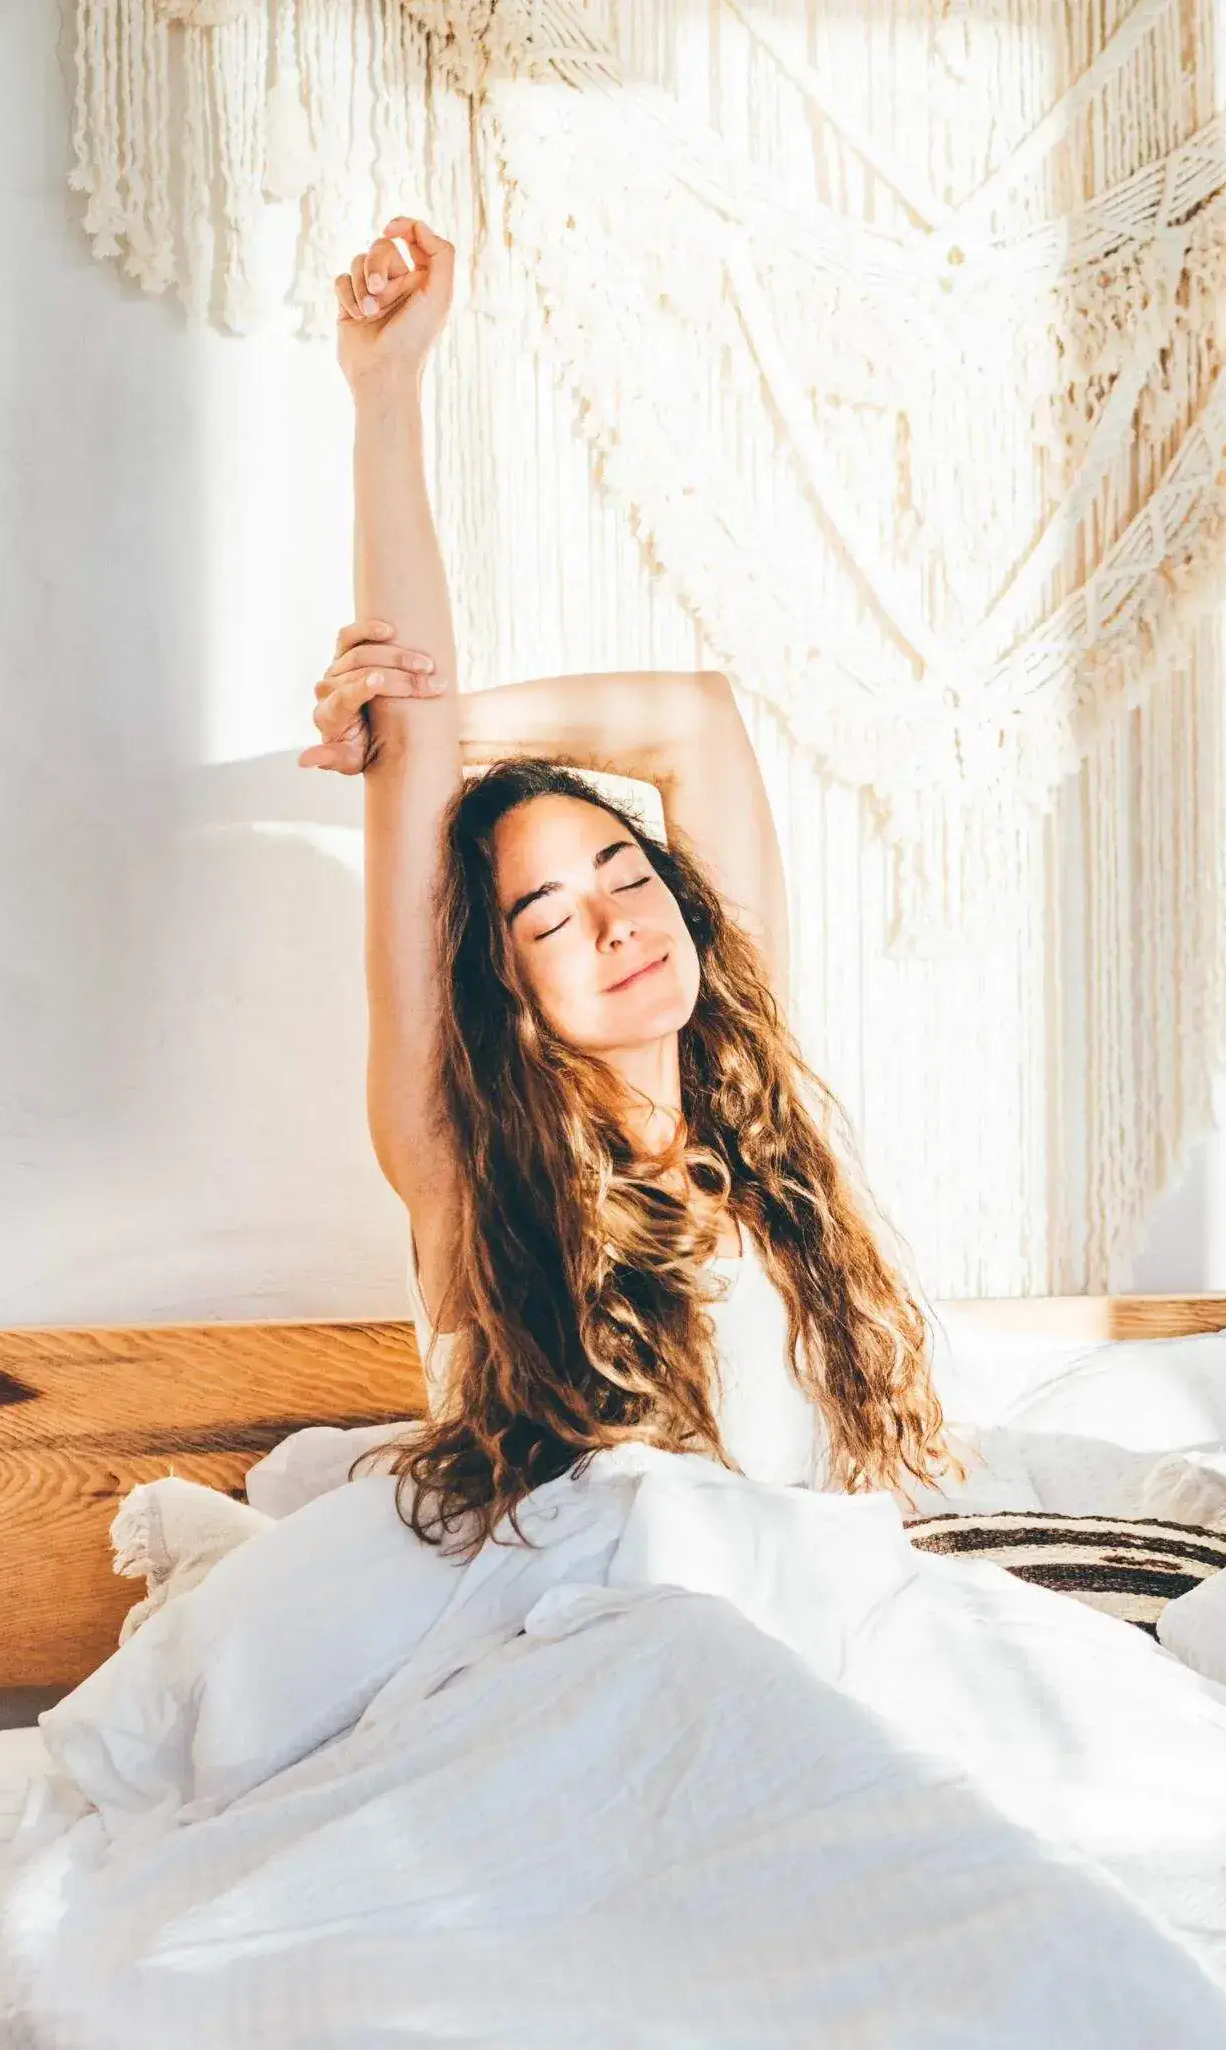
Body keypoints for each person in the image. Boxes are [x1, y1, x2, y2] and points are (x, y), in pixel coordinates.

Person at [297, 217, 956, 1553]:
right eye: (546, 915)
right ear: (504, 991)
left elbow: (695, 722)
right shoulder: (467, 1172)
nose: (614, 917)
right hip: (618, 1653)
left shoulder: (757, 1146)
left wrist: (442, 731)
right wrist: (386, 393)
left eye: (622, 868)